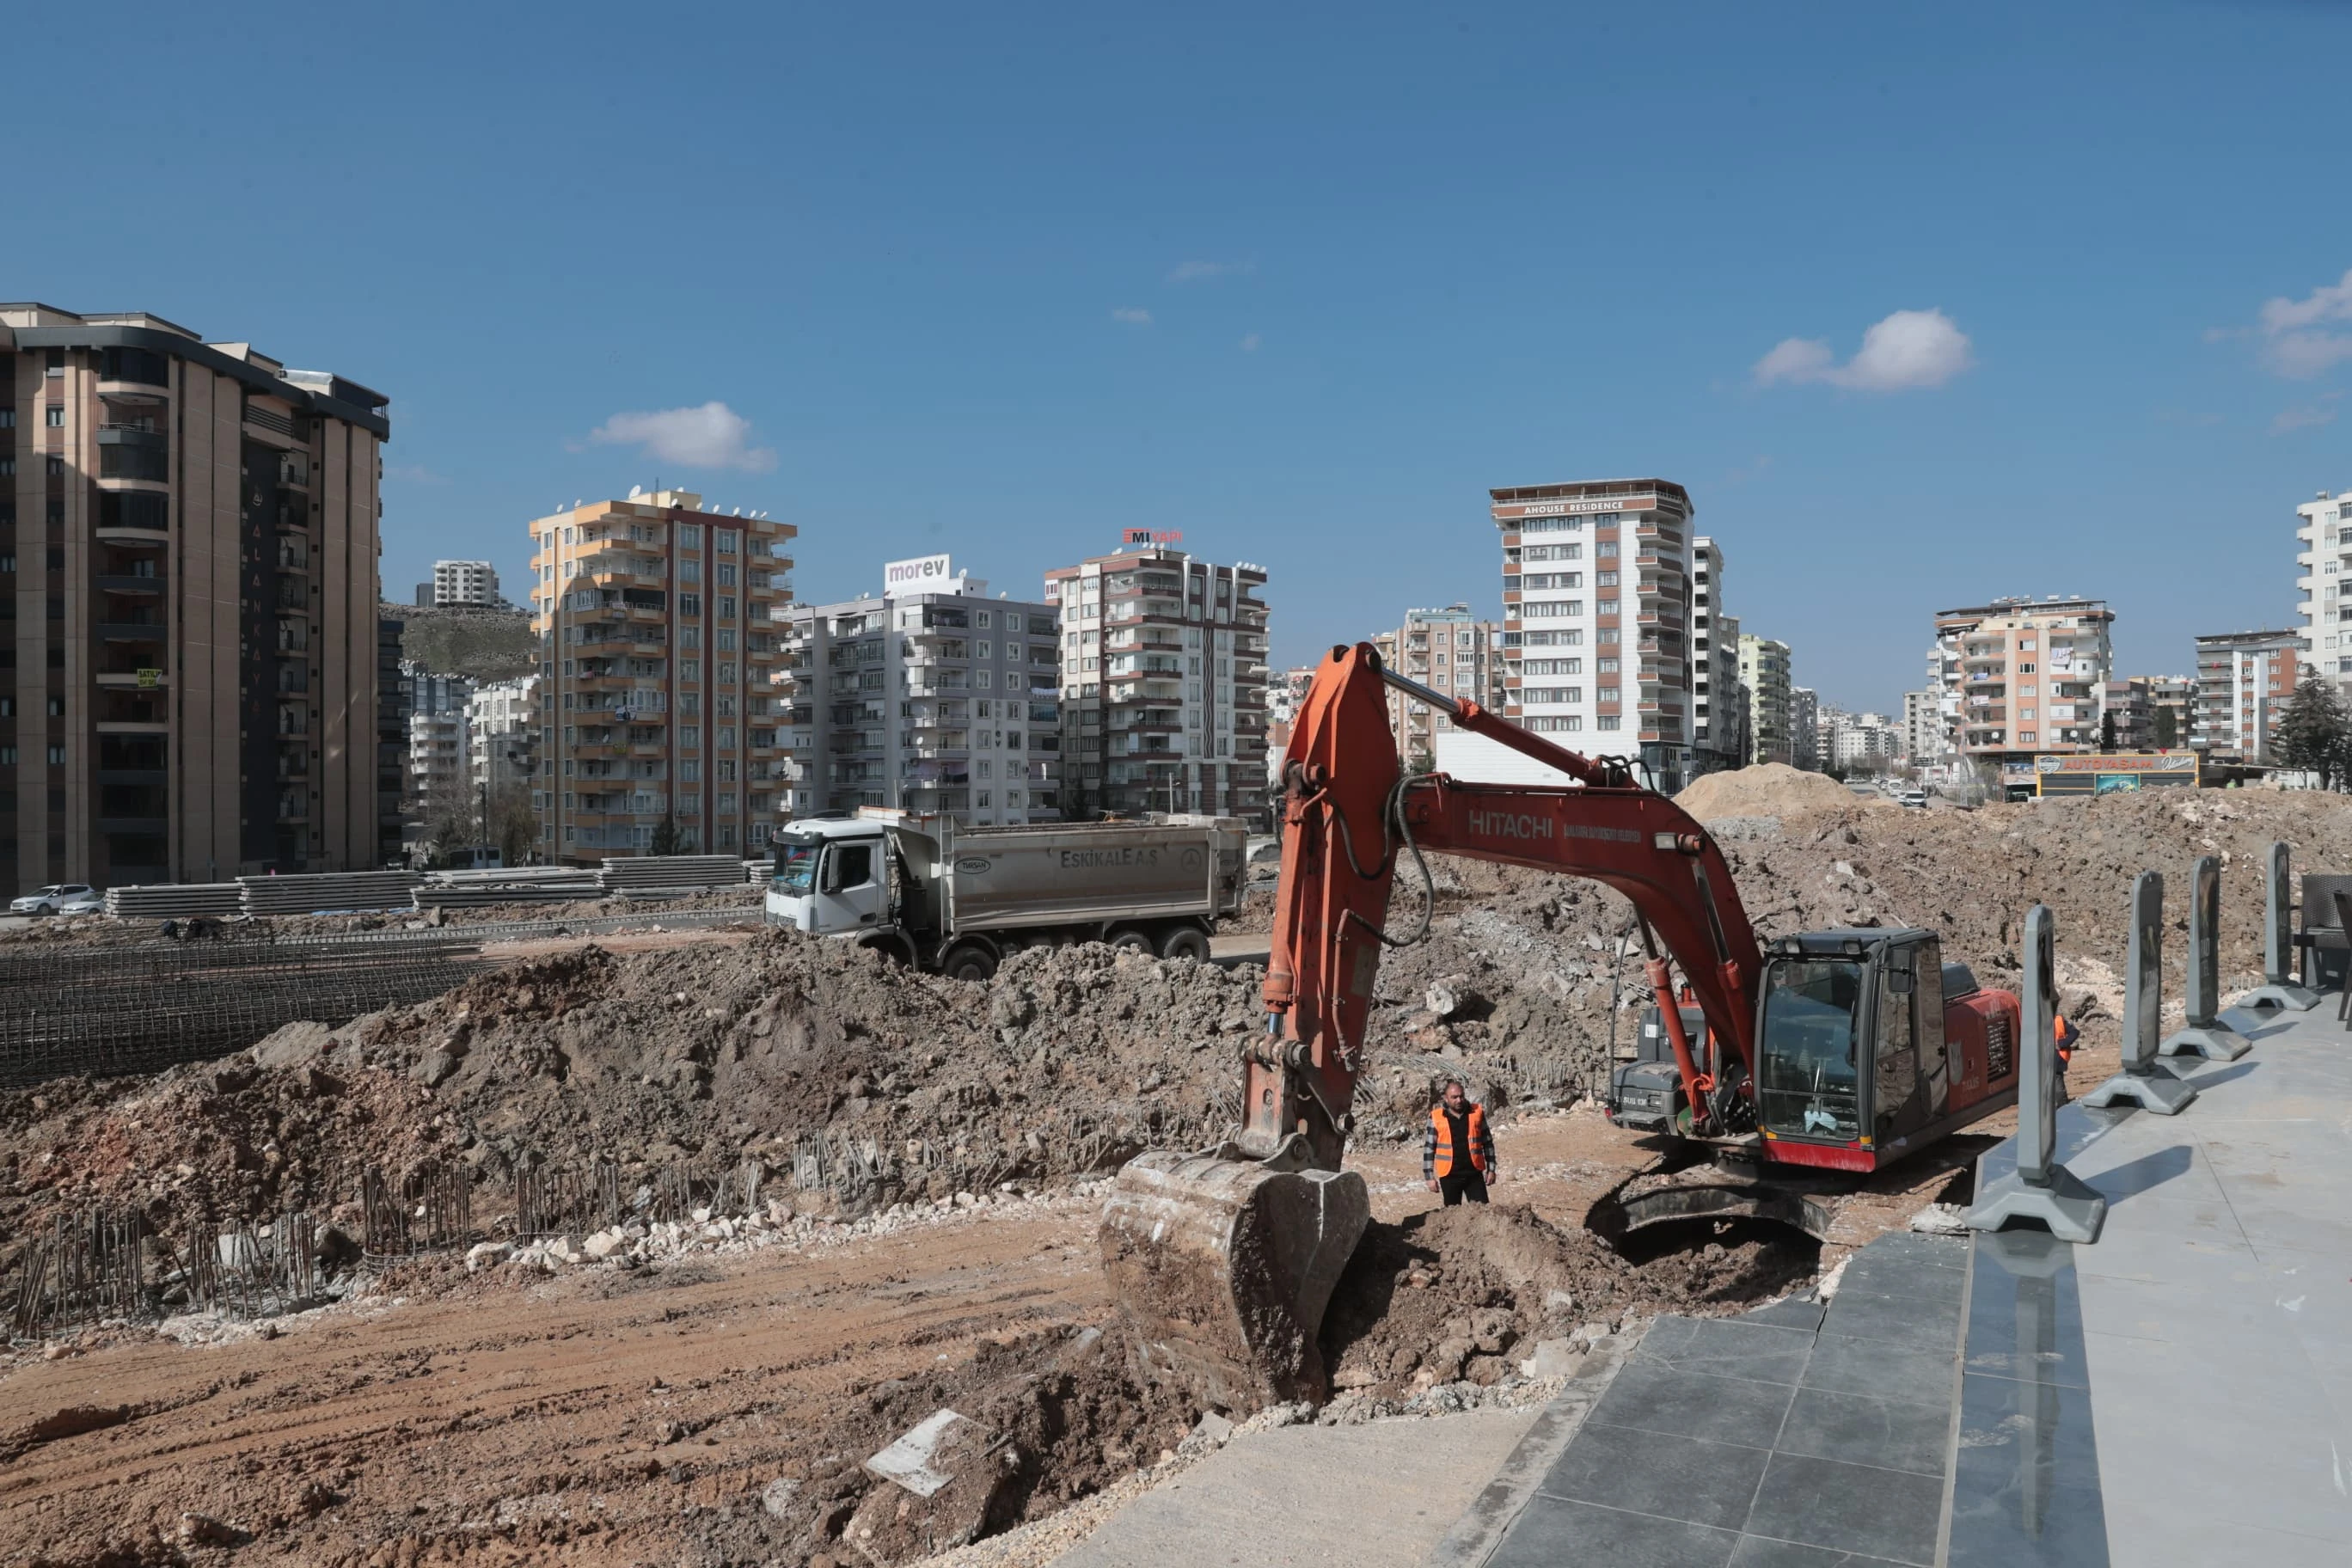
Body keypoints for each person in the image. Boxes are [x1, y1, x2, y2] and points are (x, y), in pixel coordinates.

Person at [1423, 1078, 1498, 1206]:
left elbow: (1488, 1143)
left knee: (1482, 1211)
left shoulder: (1476, 1113)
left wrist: (1491, 1169)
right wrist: (1429, 1177)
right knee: (1453, 1216)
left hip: (1474, 1174)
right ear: (1446, 1098)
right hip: (1449, 1176)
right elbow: (1429, 1148)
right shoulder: (1436, 1117)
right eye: (1454, 1097)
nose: (1459, 1100)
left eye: (1461, 1096)